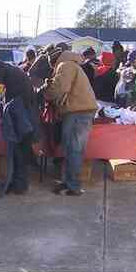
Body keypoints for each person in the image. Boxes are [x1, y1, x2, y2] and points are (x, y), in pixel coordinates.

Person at [41, 49, 97, 196]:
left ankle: (73, 186)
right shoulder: (71, 64)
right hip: (79, 111)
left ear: (53, 61)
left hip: (78, 112)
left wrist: (44, 91)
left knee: (73, 149)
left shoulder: (65, 65)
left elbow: (60, 89)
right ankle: (68, 182)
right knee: (70, 149)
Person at [0, 58, 38, 195]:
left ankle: (19, 186)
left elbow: (12, 105)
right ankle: (18, 184)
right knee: (20, 154)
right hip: (25, 120)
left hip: (22, 122)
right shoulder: (12, 73)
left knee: (19, 154)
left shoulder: (12, 78)